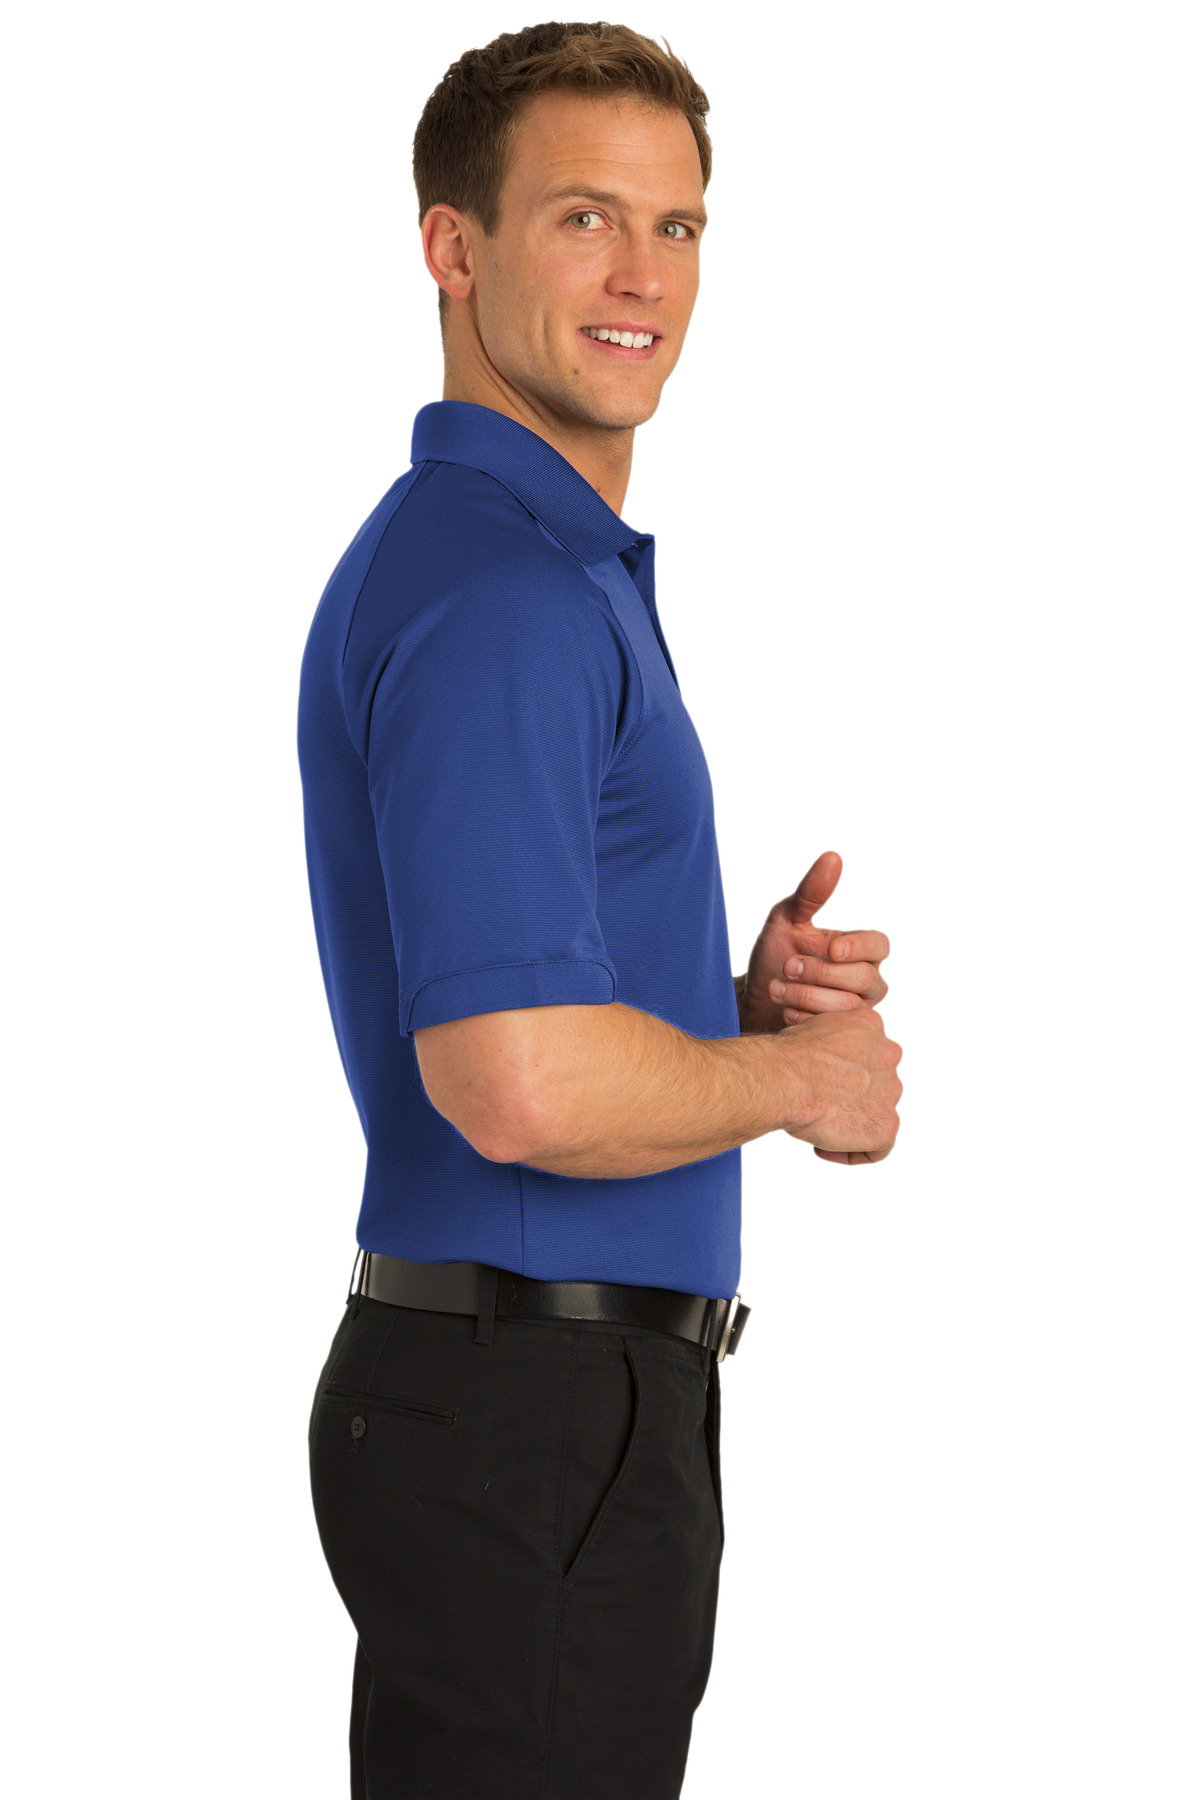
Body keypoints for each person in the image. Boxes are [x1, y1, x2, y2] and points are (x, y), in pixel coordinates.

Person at [297, 21, 903, 1799]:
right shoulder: (507, 597)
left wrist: (719, 1009)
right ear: (453, 245)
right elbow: (516, 1082)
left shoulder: (523, 567)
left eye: (678, 227)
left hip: (526, 1407)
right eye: (584, 219)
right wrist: (798, 1081)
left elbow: (528, 1008)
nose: (644, 278)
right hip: (533, 1415)